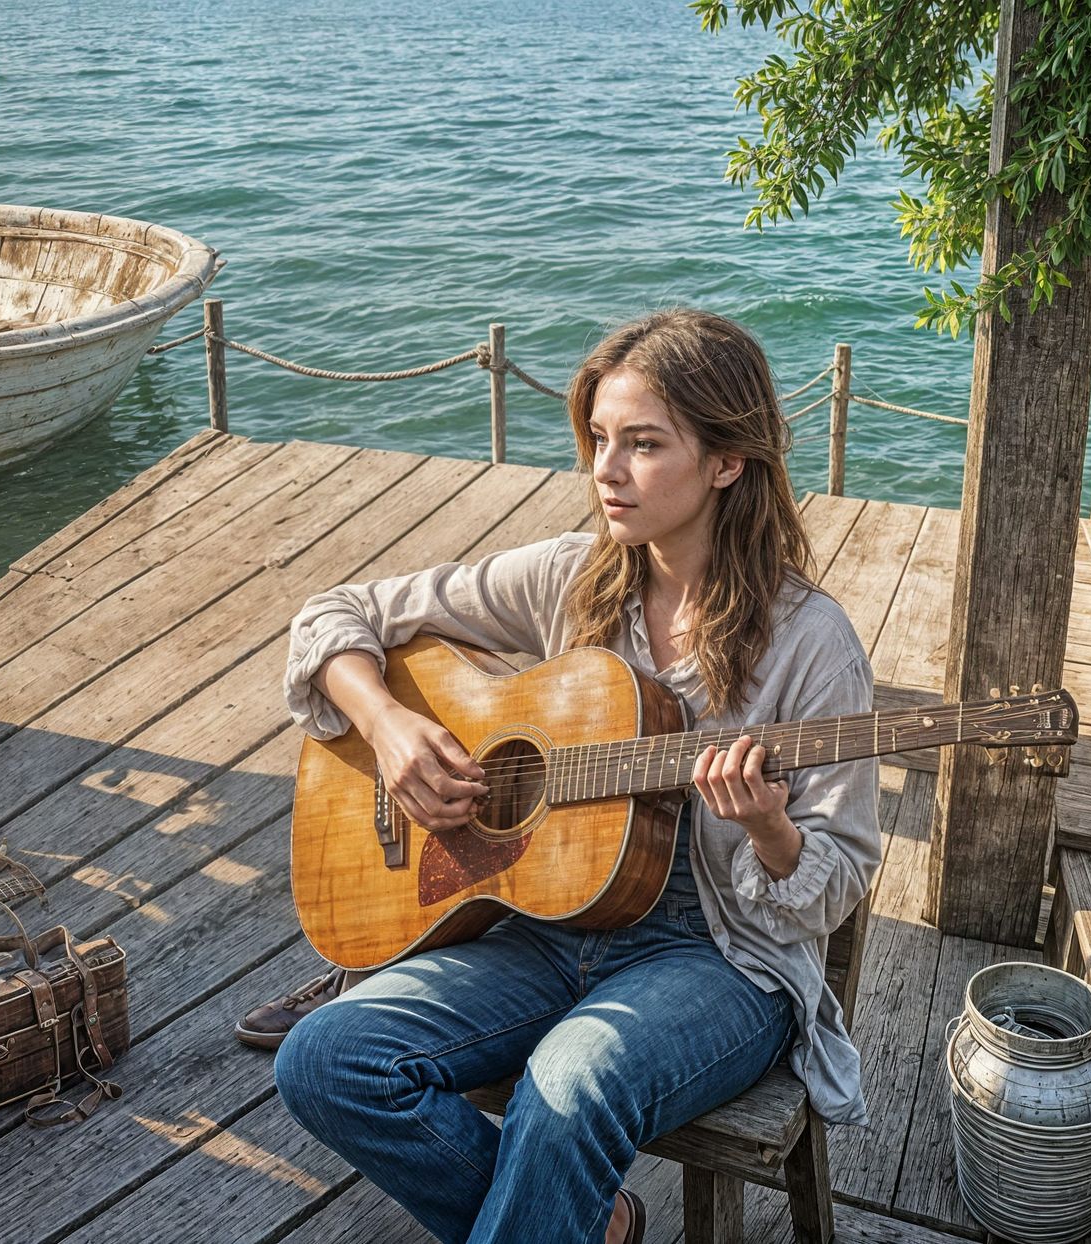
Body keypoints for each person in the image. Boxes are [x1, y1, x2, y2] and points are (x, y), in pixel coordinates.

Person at [269, 308, 881, 1244]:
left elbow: (829, 885)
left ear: (727, 461)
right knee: (326, 1056)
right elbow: (338, 614)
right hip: (546, 922)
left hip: (718, 957)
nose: (606, 469)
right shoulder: (571, 577)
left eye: (643, 444)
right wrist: (390, 726)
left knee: (570, 1080)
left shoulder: (812, 642)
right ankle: (595, 1226)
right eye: (598, 439)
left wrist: (768, 828)